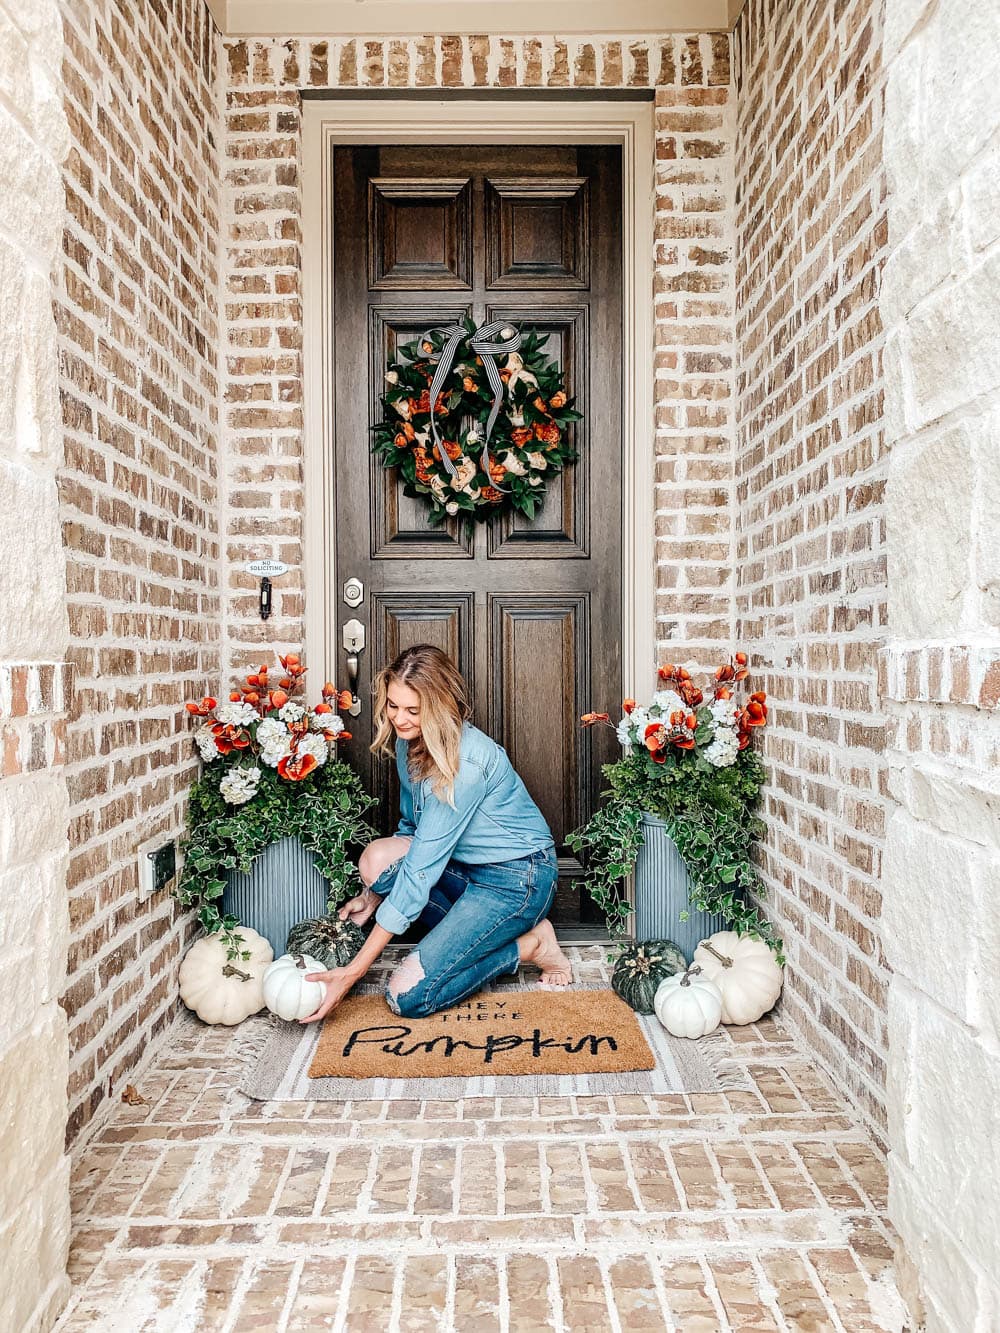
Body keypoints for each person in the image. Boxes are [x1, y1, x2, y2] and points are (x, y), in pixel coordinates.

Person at [300, 643, 572, 1024]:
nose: (400, 719)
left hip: (517, 879)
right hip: (461, 869)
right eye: (393, 706)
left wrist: (353, 972)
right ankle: (474, 936)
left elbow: (420, 871)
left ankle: (529, 945)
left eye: (414, 710)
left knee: (407, 996)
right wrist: (374, 894)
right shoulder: (407, 742)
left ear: (441, 706)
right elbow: (413, 829)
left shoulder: (465, 763)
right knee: (376, 862)